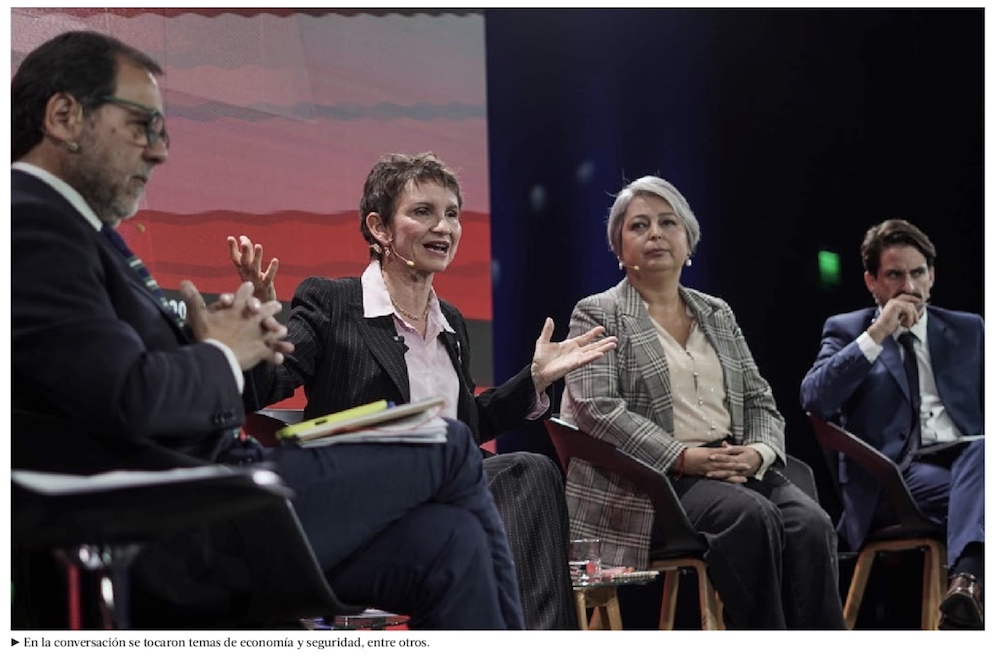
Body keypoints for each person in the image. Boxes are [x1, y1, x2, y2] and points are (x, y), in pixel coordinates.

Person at [11, 30, 524, 630]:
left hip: (211, 489)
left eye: (162, 131)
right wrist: (224, 354)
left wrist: (216, 345)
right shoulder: (30, 224)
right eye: (142, 125)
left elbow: (126, 381)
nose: (157, 152)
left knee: (452, 540)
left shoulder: (79, 234)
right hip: (174, 514)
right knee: (451, 445)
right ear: (64, 116)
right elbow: (128, 397)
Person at [229, 152, 616, 630]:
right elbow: (267, 387)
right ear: (379, 228)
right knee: (511, 477)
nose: (444, 227)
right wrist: (258, 337)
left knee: (526, 475)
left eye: (452, 213)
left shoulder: (450, 321)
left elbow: (465, 427)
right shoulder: (334, 302)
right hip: (364, 498)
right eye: (423, 212)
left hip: (446, 495)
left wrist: (533, 381)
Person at [560, 176, 845, 630]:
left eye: (667, 222)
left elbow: (759, 400)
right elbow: (598, 409)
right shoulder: (597, 312)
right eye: (639, 225)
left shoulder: (717, 312)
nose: (655, 234)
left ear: (688, 241)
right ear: (619, 248)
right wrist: (683, 457)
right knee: (750, 518)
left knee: (811, 524)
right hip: (654, 480)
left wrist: (758, 453)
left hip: (731, 464)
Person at [801, 219, 985, 629]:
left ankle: (966, 586)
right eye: (895, 275)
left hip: (968, 466)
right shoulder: (847, 330)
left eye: (918, 273)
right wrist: (879, 331)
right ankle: (968, 590)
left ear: (932, 276)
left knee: (984, 451)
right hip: (892, 478)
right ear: (872, 282)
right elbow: (814, 398)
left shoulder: (968, 329)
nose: (909, 286)